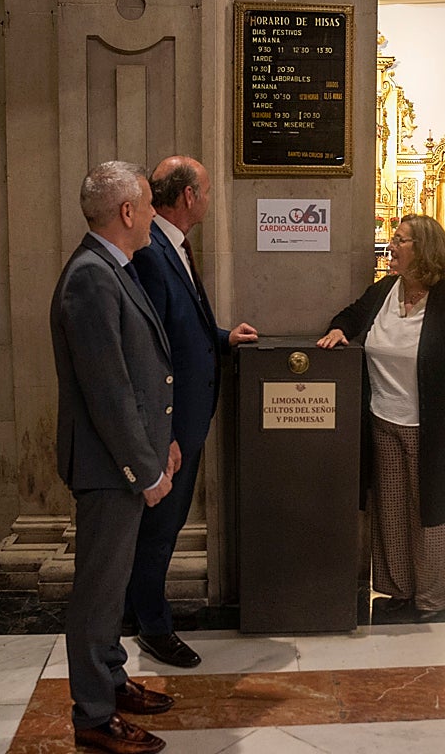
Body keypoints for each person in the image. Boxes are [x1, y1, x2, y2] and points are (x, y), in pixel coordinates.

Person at [50, 160, 178, 754]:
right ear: (126, 212)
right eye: (149, 203)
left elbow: (142, 374)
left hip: (124, 461)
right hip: (108, 470)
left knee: (114, 581)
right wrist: (143, 467)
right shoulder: (90, 276)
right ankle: (95, 717)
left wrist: (163, 441)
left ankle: (112, 680)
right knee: (99, 592)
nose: (155, 213)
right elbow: (108, 390)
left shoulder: (113, 267)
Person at [126, 155, 258, 668]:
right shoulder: (151, 252)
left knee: (166, 523)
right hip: (172, 422)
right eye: (205, 189)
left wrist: (224, 337)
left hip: (185, 415)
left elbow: (180, 326)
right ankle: (153, 627)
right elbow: (148, 347)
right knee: (161, 526)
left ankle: (138, 609)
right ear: (187, 198)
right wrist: (163, 434)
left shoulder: (171, 245)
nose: (208, 199)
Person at [316, 215, 445, 622]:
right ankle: (399, 589)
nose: (392, 245)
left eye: (401, 240)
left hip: (432, 425)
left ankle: (429, 598)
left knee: (430, 513)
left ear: (423, 250)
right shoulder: (386, 289)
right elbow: (352, 315)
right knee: (390, 508)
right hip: (382, 419)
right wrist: (339, 330)